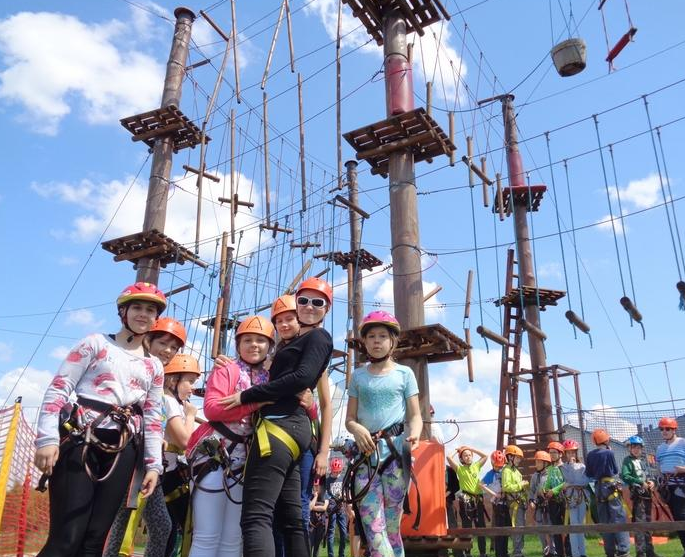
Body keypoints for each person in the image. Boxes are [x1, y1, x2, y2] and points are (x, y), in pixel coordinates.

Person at [34, 282, 166, 557]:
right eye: (137, 307)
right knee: (67, 537)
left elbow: (153, 417)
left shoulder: (154, 365)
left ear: (156, 317)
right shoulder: (95, 343)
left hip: (124, 448)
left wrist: (153, 466)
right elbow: (59, 388)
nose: (143, 314)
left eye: (150, 310)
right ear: (123, 312)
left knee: (95, 541)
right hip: (82, 438)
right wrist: (47, 439)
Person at [222, 277, 334, 557]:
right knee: (291, 519)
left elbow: (303, 378)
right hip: (291, 431)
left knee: (256, 516)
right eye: (303, 300)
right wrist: (232, 364)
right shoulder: (293, 345)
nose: (309, 306)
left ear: (327, 308)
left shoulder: (318, 337)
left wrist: (247, 396)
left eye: (317, 302)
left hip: (279, 427)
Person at [186, 315, 274, 557]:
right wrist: (255, 403)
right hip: (215, 457)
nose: (254, 345)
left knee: (233, 539)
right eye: (247, 340)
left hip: (245, 463)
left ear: (269, 346)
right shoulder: (227, 370)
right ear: (238, 344)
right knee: (206, 536)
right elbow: (212, 409)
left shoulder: (270, 378)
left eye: (260, 340)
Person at [104, 317, 191, 557]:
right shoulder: (137, 370)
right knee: (119, 523)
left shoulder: (157, 381)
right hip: (127, 456)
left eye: (173, 347)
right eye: (162, 343)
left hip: (148, 464)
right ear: (148, 340)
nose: (168, 351)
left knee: (160, 525)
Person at [345, 310, 422, 557]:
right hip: (366, 459)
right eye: (371, 336)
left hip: (396, 458)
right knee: (373, 528)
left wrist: (415, 433)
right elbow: (349, 419)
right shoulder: (358, 376)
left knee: (391, 529)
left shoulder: (405, 374)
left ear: (392, 341)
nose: (376, 341)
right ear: (364, 342)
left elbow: (415, 416)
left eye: (382, 336)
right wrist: (357, 428)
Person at [270, 294, 333, 550]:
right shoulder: (273, 357)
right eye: (280, 321)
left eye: (290, 319)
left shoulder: (312, 356)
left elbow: (326, 404)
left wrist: (324, 452)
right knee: (272, 508)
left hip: (303, 439)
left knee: (297, 506)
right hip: (271, 435)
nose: (285, 325)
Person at [585, 428, 630, 557]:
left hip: (598, 488)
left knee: (604, 520)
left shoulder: (590, 455)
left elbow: (589, 473)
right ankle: (623, 550)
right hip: (610, 485)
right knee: (618, 518)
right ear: (606, 440)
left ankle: (610, 551)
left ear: (595, 441)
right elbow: (615, 470)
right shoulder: (609, 453)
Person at [621, 435, 659, 557]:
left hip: (647, 495)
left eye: (638, 447)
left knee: (648, 523)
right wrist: (640, 482)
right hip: (638, 496)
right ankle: (641, 552)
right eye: (634, 447)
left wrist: (651, 482)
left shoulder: (643, 461)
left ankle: (650, 551)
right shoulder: (628, 461)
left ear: (642, 448)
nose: (636, 450)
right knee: (639, 524)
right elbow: (625, 475)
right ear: (630, 448)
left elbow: (649, 475)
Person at [448, 446, 488, 557]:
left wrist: (470, 448)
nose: (468, 457)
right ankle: (467, 553)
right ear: (461, 458)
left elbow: (485, 456)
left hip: (478, 499)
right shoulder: (459, 469)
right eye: (465, 455)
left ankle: (483, 553)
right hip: (466, 501)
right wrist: (458, 451)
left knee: (480, 527)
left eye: (470, 455)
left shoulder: (476, 466)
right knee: (467, 527)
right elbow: (449, 457)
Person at [655, 417, 685, 553]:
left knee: (681, 517)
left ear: (674, 430)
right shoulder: (660, 448)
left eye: (667, 429)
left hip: (682, 485)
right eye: (662, 429)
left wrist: (683, 469)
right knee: (677, 519)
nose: (664, 431)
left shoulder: (683, 443)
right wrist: (658, 482)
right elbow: (658, 467)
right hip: (668, 487)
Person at [560, 439, 590, 557]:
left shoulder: (582, 466)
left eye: (573, 452)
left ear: (576, 453)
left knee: (580, 526)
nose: (571, 455)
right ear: (565, 454)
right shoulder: (563, 467)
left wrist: (570, 484)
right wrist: (572, 466)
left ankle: (583, 553)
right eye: (568, 452)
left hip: (581, 497)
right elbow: (570, 479)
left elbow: (585, 481)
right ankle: (576, 554)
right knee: (574, 525)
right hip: (571, 499)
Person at [502, 444, 528, 557]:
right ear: (510, 457)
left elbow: (520, 487)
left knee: (521, 527)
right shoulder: (506, 470)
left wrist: (524, 486)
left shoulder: (516, 471)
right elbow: (506, 487)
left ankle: (520, 551)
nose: (519, 460)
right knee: (517, 527)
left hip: (521, 502)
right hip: (514, 503)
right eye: (517, 458)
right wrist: (520, 485)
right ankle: (517, 552)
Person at [544, 441, 568, 557]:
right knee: (556, 528)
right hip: (553, 502)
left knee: (567, 528)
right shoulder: (550, 468)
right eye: (550, 453)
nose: (552, 455)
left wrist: (554, 490)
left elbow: (566, 482)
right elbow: (548, 482)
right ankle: (560, 553)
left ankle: (569, 552)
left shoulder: (565, 467)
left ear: (560, 454)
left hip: (564, 500)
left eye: (554, 452)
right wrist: (545, 489)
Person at [481, 450, 507, 557]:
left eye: (500, 466)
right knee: (498, 528)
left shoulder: (505, 472)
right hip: (497, 504)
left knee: (506, 529)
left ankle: (505, 552)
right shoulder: (490, 474)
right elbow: (481, 484)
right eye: (496, 466)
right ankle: (499, 553)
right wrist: (494, 494)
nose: (498, 468)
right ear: (492, 464)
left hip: (506, 503)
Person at [529, 451, 553, 557]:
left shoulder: (551, 474)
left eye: (539, 462)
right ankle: (545, 550)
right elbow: (532, 490)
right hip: (538, 507)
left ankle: (553, 551)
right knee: (540, 529)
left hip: (549, 506)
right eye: (536, 462)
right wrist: (531, 501)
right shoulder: (535, 476)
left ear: (545, 463)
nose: (536, 464)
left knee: (550, 528)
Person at [326, 457, 348, 557]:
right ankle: (331, 555)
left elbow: (346, 491)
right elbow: (326, 495)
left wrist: (345, 496)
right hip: (332, 508)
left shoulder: (343, 478)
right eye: (335, 471)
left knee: (344, 532)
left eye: (338, 471)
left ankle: (341, 554)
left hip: (341, 507)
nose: (336, 473)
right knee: (331, 532)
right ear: (331, 470)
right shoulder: (327, 480)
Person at [310, 479, 329, 557]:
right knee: (310, 544)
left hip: (321, 524)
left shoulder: (325, 495)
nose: (316, 488)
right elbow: (310, 507)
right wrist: (315, 497)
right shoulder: (310, 495)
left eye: (318, 486)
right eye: (315, 486)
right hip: (311, 525)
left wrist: (314, 507)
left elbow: (324, 508)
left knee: (317, 546)